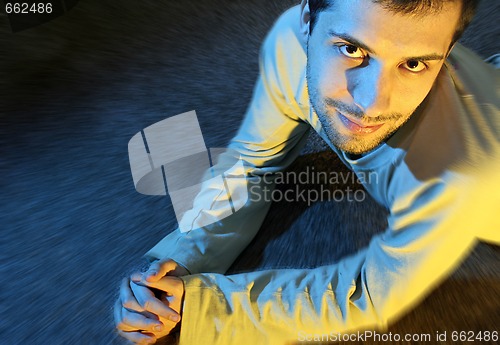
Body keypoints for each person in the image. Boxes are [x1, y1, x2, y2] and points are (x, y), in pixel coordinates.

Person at [114, 0, 499, 344]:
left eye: (414, 63)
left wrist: (196, 309)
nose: (371, 103)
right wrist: (180, 262)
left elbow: (365, 296)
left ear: (447, 54)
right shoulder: (289, 45)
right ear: (306, 23)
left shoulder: (459, 177)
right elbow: (253, 159)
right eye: (352, 49)